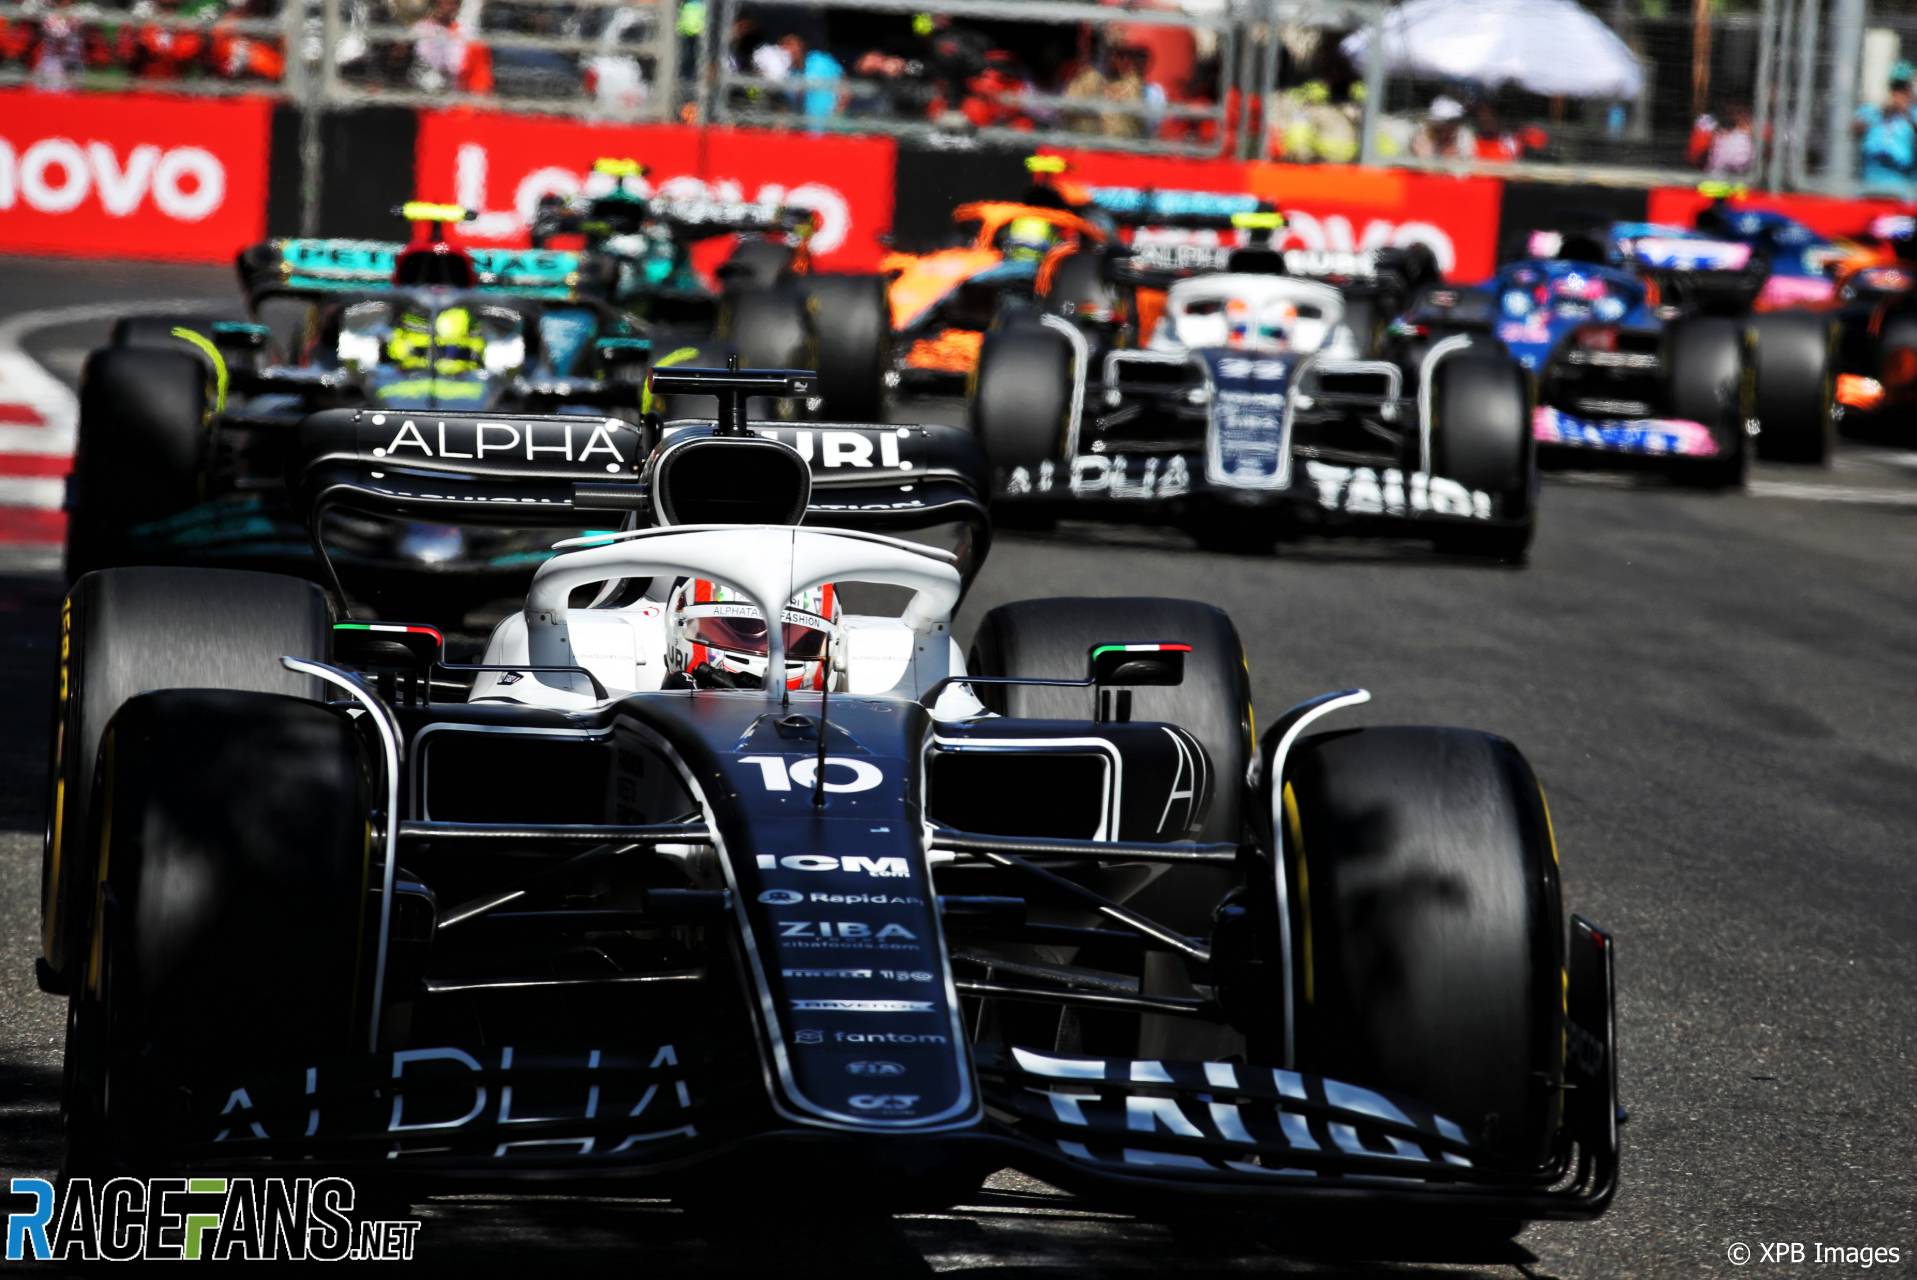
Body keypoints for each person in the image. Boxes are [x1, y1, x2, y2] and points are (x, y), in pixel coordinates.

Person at [1855, 70, 1917, 197]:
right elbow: (1856, 127)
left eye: (1903, 90)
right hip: (1870, 183)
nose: (1898, 95)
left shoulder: (1912, 114)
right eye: (1895, 89)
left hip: (1902, 187)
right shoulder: (1874, 112)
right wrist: (1881, 111)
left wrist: (1906, 113)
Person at [1690, 102, 1754, 176]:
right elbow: (1695, 157)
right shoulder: (1708, 126)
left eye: (1743, 112)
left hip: (1740, 180)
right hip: (1714, 179)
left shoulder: (1747, 137)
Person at [1411, 95, 1474, 160]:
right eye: (1439, 129)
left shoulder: (1463, 137)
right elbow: (1424, 162)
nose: (1444, 133)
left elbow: (1466, 162)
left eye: (1451, 124)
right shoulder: (1422, 135)